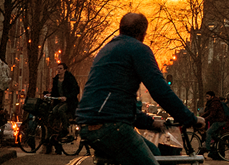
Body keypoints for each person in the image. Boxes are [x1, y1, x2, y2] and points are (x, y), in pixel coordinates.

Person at [75, 12, 204, 164]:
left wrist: (149, 123)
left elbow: (115, 100)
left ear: (120, 30)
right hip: (110, 126)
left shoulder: (106, 50)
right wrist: (190, 119)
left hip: (87, 124)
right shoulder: (138, 49)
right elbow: (160, 90)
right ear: (143, 34)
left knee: (154, 152)